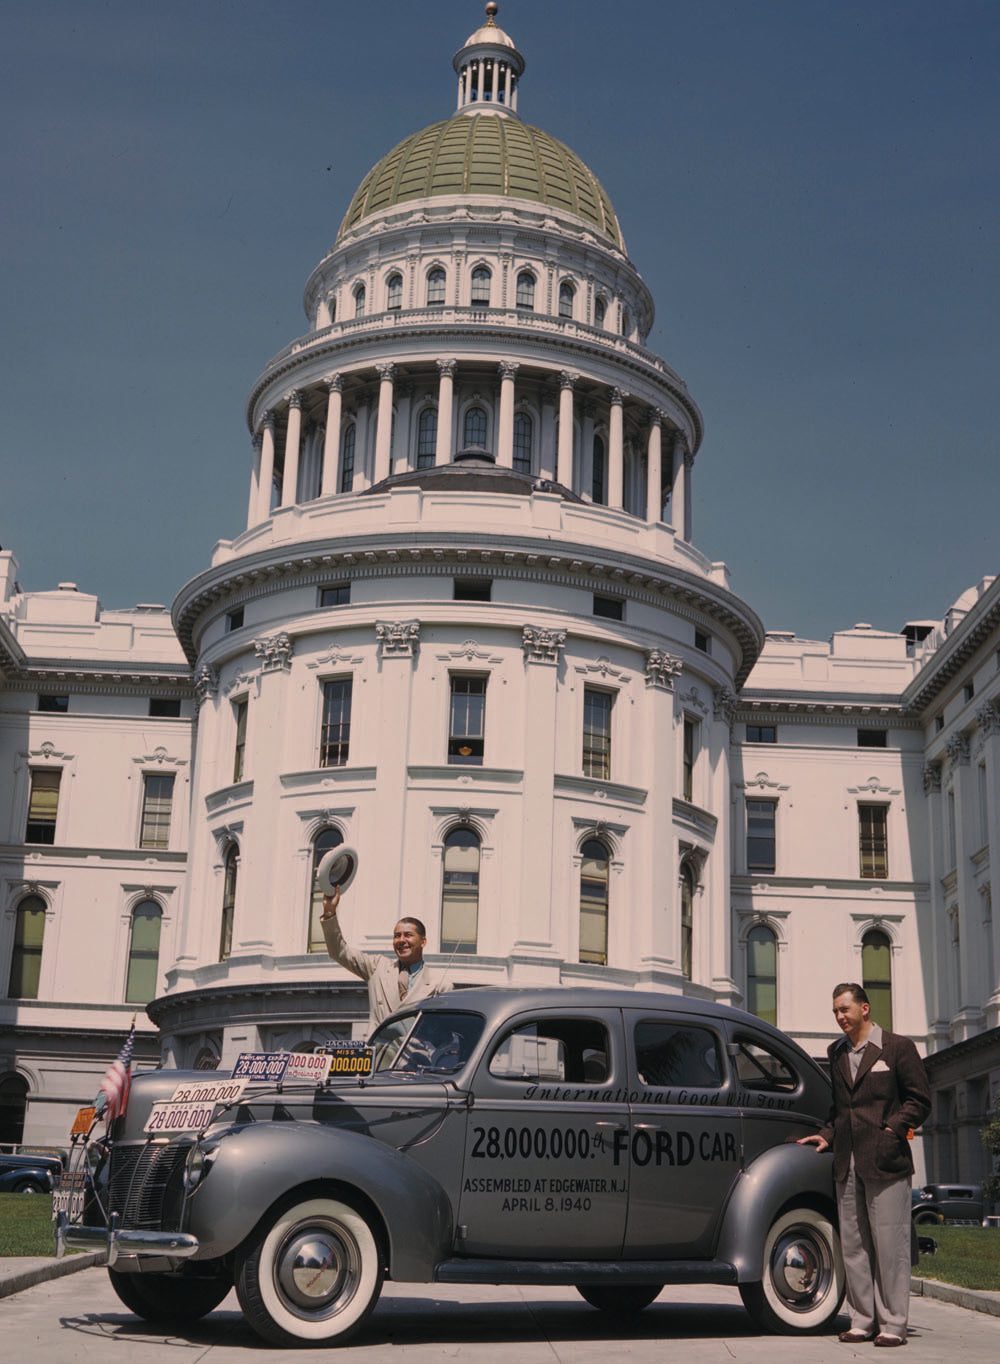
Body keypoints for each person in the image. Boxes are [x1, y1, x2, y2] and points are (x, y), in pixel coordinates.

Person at [798, 983, 931, 1348]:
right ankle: (862, 1320)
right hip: (847, 1162)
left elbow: (920, 1100)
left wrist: (893, 1128)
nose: (840, 1017)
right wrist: (827, 1134)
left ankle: (894, 1324)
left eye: (845, 1010)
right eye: (835, 1011)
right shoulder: (836, 1051)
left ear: (865, 1009)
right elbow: (840, 1109)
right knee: (853, 1246)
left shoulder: (898, 1048)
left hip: (887, 1161)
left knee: (890, 1245)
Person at [320, 884, 450, 1032]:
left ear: (423, 942)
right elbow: (339, 951)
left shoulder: (440, 984)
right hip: (382, 1053)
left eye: (408, 935)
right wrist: (329, 912)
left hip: (417, 1054)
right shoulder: (377, 967)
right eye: (397, 936)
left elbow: (442, 1031)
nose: (401, 940)